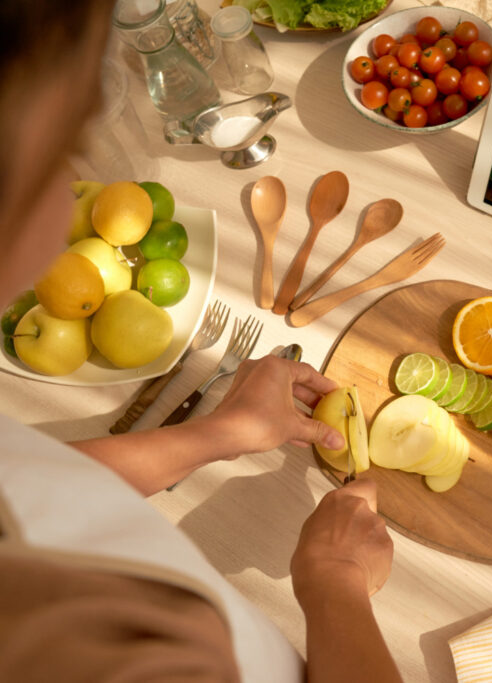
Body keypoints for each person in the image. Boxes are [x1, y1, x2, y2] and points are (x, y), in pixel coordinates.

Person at [0, 1, 401, 681]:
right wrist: (335, 583)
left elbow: (26, 495)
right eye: (61, 157)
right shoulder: (111, 646)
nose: (77, 187)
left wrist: (214, 435)